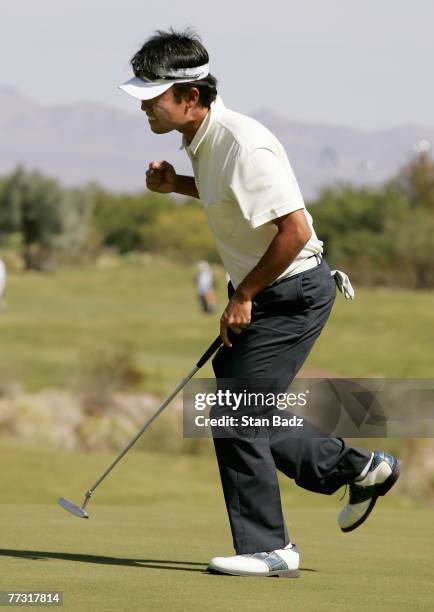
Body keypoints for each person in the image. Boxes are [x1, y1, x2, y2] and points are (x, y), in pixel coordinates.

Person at [119, 28, 401, 578]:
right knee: (245, 410)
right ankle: (361, 468)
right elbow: (234, 197)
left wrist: (244, 295)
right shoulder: (202, 140)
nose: (145, 108)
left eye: (153, 98)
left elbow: (293, 231)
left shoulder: (244, 142)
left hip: (291, 293)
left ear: (191, 98)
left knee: (234, 413)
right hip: (264, 292)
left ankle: (271, 550)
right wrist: (179, 183)